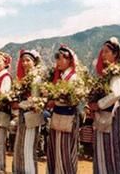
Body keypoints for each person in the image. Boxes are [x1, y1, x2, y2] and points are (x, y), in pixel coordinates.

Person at [88, 37, 120, 173]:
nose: (103, 54)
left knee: (113, 148)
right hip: (103, 115)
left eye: (107, 52)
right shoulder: (106, 73)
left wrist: (98, 104)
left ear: (115, 54)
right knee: (102, 148)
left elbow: (117, 93)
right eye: (103, 52)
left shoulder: (118, 71)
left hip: (113, 115)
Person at [46, 45, 83, 174]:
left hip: (68, 116)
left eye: (62, 58)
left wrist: (56, 99)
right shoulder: (59, 77)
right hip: (57, 115)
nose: (58, 62)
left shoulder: (73, 77)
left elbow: (75, 99)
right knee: (56, 148)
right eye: (57, 58)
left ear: (69, 60)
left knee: (65, 149)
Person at [12, 49, 45, 174]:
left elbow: (34, 100)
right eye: (23, 61)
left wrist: (19, 104)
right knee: (21, 147)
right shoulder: (25, 78)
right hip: (23, 116)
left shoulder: (36, 78)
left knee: (27, 148)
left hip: (32, 117)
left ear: (34, 62)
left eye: (28, 60)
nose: (25, 63)